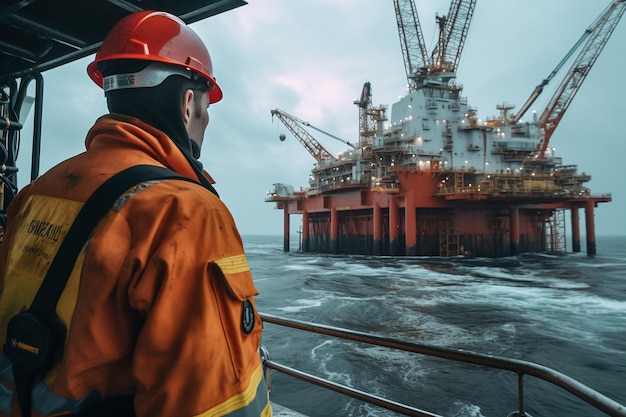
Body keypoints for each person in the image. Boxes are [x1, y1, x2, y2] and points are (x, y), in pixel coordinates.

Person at [0, 10, 271, 417]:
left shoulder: (36, 194)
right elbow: (210, 400)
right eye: (206, 106)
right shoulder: (185, 213)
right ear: (187, 104)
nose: (206, 119)